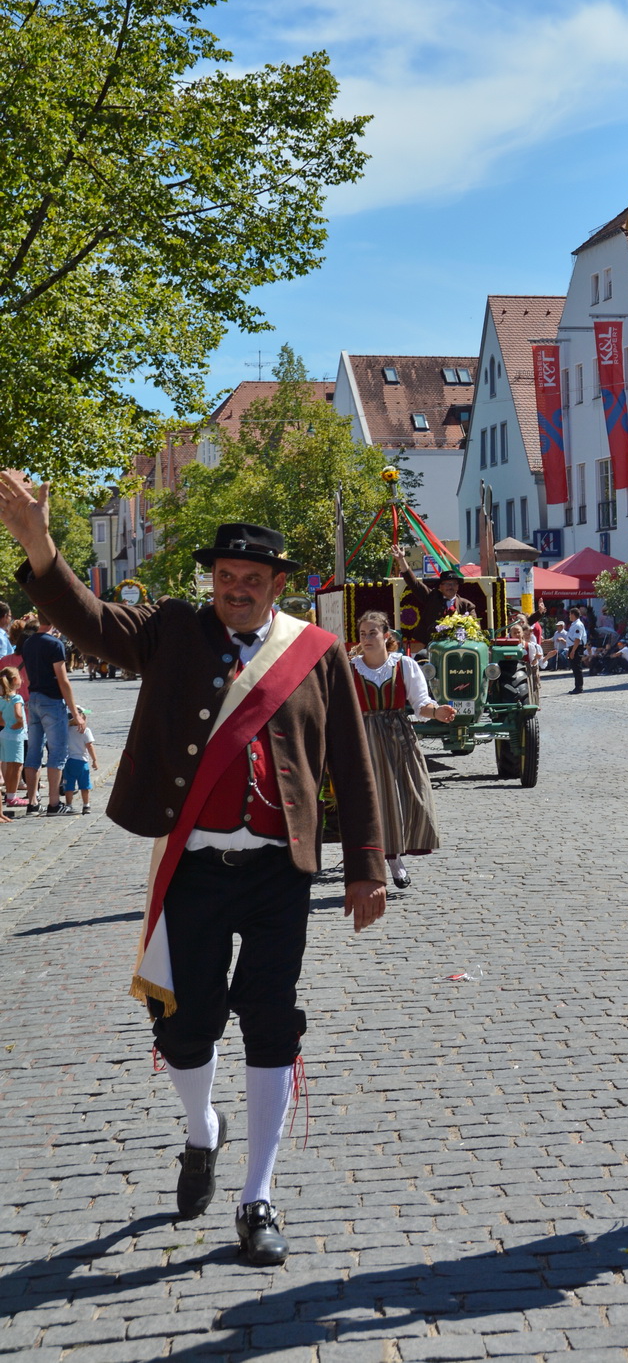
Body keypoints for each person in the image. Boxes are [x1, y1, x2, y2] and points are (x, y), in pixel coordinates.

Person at [0, 476, 388, 1268]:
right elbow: (94, 619)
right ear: (210, 581)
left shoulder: (315, 653)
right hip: (196, 868)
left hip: (282, 870)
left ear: (279, 586)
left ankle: (257, 1195)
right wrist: (38, 542)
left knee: (272, 1020)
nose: (236, 591)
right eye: (224, 578)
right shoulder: (173, 629)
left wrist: (366, 867)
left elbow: (353, 758)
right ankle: (201, 1130)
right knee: (185, 1028)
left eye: (251, 581)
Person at [351, 611, 453, 890]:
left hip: (399, 736)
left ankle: (398, 857)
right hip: (366, 737)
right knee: (376, 803)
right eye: (363, 633)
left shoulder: (404, 665)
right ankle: (388, 863)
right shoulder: (351, 668)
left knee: (410, 796)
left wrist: (437, 712)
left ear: (386, 636)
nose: (367, 638)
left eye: (373, 632)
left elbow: (420, 703)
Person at [21, 609, 82, 815]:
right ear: (54, 622)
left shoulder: (29, 643)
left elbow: (29, 675)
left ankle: (32, 803)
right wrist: (75, 713)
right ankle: (54, 803)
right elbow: (63, 680)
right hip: (52, 701)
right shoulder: (55, 644)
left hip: (34, 698)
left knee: (34, 753)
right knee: (57, 752)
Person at [399, 563, 479, 647]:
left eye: (454, 584)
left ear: (458, 587)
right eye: (447, 584)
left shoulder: (467, 605)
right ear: (440, 587)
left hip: (460, 647)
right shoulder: (432, 598)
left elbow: (475, 627)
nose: (450, 587)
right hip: (432, 646)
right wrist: (401, 559)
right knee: (420, 657)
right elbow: (414, 583)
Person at [61, 705, 99, 815]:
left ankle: (69, 805)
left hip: (68, 762)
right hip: (81, 762)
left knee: (69, 785)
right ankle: (86, 805)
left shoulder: (66, 730)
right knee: (84, 785)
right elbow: (89, 746)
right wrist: (95, 760)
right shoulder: (85, 731)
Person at [0, 663, 25, 817]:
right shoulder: (17, 697)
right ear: (16, 679)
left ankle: (9, 794)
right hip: (15, 736)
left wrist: (7, 724)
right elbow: (18, 714)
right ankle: (12, 796)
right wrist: (20, 722)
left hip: (4, 734)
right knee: (17, 766)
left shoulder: (2, 698)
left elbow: (1, 720)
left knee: (8, 766)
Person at [564, 606, 587, 695]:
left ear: (573, 614)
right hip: (573, 647)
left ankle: (579, 687)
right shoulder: (574, 624)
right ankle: (577, 686)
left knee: (577, 668)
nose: (569, 616)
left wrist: (573, 651)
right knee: (574, 667)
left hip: (576, 647)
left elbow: (577, 639)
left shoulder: (578, 625)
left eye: (570, 614)